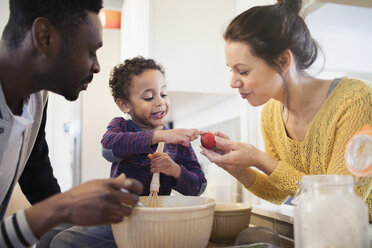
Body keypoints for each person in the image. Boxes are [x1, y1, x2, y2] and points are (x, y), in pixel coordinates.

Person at [200, 0, 372, 221]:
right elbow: (278, 192)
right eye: (231, 71)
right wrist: (236, 166)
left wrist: (259, 158)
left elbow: (339, 205)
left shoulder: (355, 101)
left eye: (242, 71)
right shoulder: (271, 113)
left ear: (283, 61)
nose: (233, 82)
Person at [0, 1, 143, 247]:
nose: (97, 66)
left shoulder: (35, 95)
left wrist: (66, 215)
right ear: (44, 37)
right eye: (91, 51)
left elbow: (35, 167)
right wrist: (62, 207)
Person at [50, 56, 207, 247]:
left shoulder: (178, 141)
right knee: (50, 231)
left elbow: (198, 187)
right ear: (124, 104)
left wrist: (174, 169)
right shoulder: (121, 127)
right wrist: (157, 137)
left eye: (164, 94)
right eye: (149, 97)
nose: (160, 102)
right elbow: (109, 148)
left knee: (63, 242)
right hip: (115, 209)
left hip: (144, 220)